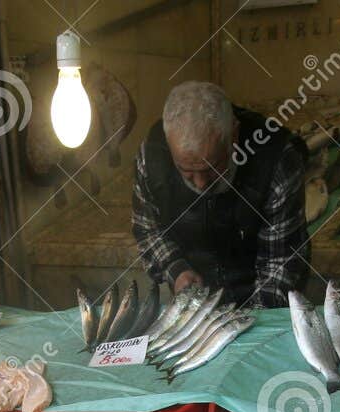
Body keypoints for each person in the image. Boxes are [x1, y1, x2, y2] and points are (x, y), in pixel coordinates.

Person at [132, 81, 308, 307]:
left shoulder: (277, 159)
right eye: (186, 171)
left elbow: (281, 265)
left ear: (233, 135)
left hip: (263, 293)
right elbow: (148, 229)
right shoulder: (151, 157)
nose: (201, 183)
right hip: (197, 300)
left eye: (211, 167)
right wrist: (176, 269)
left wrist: (247, 327)